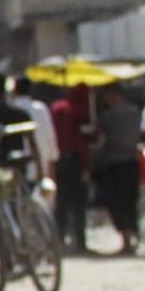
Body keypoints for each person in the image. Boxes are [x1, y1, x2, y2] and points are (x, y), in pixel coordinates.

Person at [92, 88, 144, 255]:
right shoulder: (135, 112)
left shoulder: (108, 117)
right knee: (131, 200)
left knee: (118, 203)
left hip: (115, 164)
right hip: (132, 162)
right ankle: (133, 233)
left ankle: (127, 237)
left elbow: (100, 138)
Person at [49, 86, 90, 254]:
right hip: (74, 162)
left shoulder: (56, 108)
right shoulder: (80, 112)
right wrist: (86, 166)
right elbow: (82, 142)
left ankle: (59, 239)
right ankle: (80, 242)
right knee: (78, 203)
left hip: (58, 160)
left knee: (61, 202)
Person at [12, 76, 60, 184]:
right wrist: (52, 163)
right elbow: (51, 137)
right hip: (41, 167)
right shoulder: (41, 108)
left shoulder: (11, 108)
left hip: (17, 169)